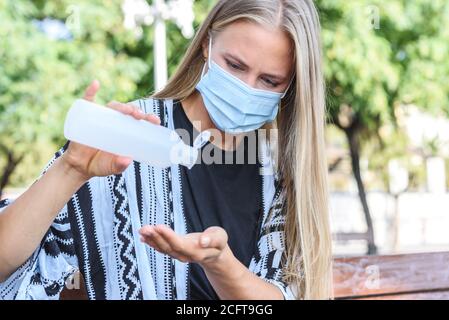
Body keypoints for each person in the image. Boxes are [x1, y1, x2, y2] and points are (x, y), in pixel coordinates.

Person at [0, 0, 332, 300]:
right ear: (206, 44)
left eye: (269, 81)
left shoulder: (281, 172)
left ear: (292, 85)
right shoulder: (130, 136)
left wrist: (220, 264)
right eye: (234, 65)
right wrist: (71, 169)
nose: (246, 90)